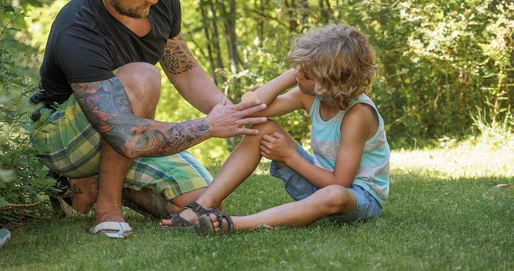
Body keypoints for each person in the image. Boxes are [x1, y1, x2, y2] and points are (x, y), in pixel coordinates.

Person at [30, 0, 267, 237]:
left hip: (122, 134)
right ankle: (107, 211)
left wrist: (229, 111)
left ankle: (87, 186)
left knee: (205, 203)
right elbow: (126, 134)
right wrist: (209, 126)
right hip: (60, 138)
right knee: (142, 77)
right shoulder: (77, 27)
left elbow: (183, 68)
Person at [160, 24, 390, 234]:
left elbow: (340, 184)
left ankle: (234, 223)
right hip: (317, 185)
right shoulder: (310, 95)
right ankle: (203, 205)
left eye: (306, 74)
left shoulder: (357, 114)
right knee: (263, 127)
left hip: (355, 198)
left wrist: (289, 156)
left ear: (332, 82)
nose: (298, 74)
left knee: (335, 195)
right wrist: (293, 75)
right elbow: (252, 108)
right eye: (297, 68)